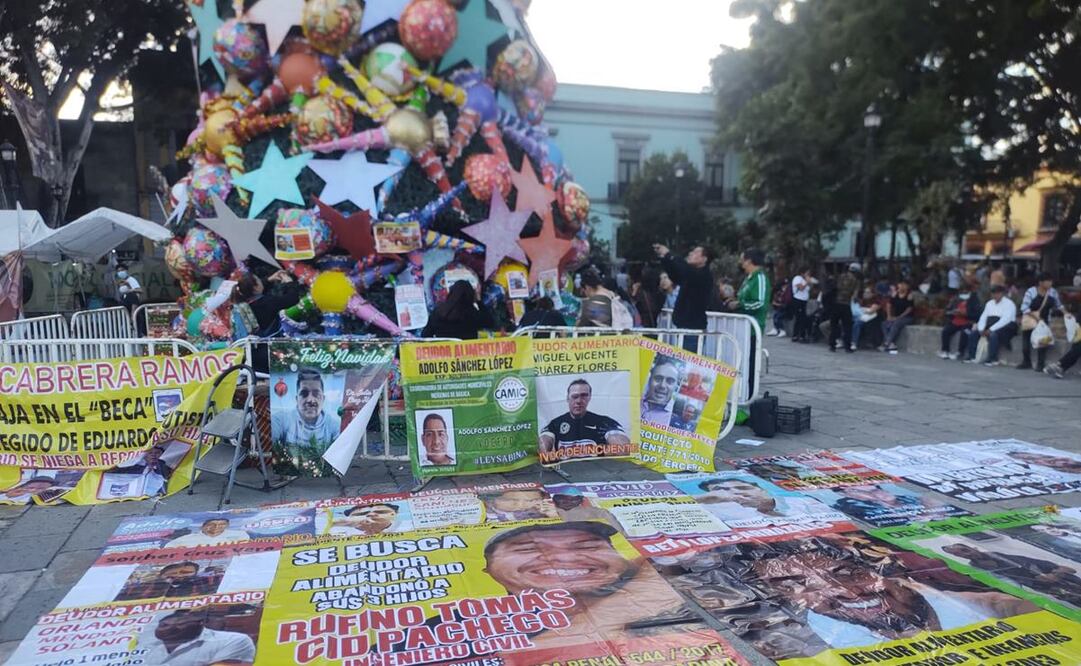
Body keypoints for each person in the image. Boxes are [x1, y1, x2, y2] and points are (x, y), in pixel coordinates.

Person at [743, 537, 1036, 650]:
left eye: (846, 573)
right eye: (797, 585)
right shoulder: (823, 634)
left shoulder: (951, 601)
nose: (847, 592)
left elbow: (1011, 608)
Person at [482, 522, 692, 649]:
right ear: (488, 568)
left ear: (621, 558)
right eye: (527, 548)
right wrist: (618, 609)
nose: (563, 558)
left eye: (588, 545)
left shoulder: (675, 610)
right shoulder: (470, 624)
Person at [941, 542, 1081, 607]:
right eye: (958, 554)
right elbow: (1010, 584)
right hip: (1063, 594)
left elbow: (1068, 569)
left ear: (971, 547)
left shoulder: (1011, 558)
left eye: (965, 550)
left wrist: (1054, 575)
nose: (968, 554)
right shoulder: (979, 569)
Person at [539, 379, 630, 456]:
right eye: (575, 396)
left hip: (597, 472)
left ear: (589, 397)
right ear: (567, 398)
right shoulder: (556, 423)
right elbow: (543, 444)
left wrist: (612, 445)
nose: (579, 401)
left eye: (584, 396)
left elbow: (624, 449)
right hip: (566, 473)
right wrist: (545, 448)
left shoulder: (604, 422)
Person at [139, 608, 255, 666]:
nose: (169, 629)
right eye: (164, 625)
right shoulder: (147, 645)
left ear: (200, 624)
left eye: (180, 624)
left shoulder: (233, 640)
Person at [693, 476, 831, 524]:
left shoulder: (797, 502)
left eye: (742, 488)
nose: (735, 493)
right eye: (722, 490)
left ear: (762, 490)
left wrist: (770, 504)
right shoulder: (715, 511)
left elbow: (828, 515)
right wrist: (701, 499)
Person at [654, 244, 713, 349]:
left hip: (693, 330)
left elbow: (683, 268)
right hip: (684, 327)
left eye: (695, 253)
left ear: (704, 259)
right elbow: (675, 275)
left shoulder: (703, 275)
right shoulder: (691, 274)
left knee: (690, 362)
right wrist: (664, 258)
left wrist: (669, 254)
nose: (690, 254)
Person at [271, 368, 341, 449]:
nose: (310, 400)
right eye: (304, 393)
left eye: (316, 394)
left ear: (323, 399)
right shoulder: (281, 419)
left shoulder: (334, 426)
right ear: (297, 399)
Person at [232, 270, 302, 336]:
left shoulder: (245, 301)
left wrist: (270, 279)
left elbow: (258, 289)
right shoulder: (267, 302)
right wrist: (290, 283)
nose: (261, 281)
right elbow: (292, 299)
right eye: (259, 280)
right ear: (255, 287)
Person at [830, 485, 941, 524]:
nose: (879, 494)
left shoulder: (907, 498)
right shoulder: (853, 505)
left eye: (876, 490)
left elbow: (932, 502)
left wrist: (927, 513)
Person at [964, 284, 1017, 366]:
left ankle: (992, 358)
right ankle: (972, 356)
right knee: (973, 333)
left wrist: (991, 329)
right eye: (993, 293)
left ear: (1002, 293)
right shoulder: (989, 303)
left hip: (1006, 326)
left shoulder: (1009, 304)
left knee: (993, 335)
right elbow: (983, 317)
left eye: (997, 293)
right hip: (990, 324)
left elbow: (1005, 320)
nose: (995, 295)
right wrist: (981, 328)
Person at [1018, 272, 1061, 371]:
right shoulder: (1031, 292)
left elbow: (1058, 305)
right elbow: (1024, 307)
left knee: (1043, 341)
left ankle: (1040, 364)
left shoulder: (1053, 292)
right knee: (1026, 341)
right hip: (1030, 320)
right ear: (1041, 282)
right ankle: (1026, 361)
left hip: (1044, 320)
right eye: (1048, 281)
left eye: (1051, 281)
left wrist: (1066, 313)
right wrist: (1036, 317)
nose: (1050, 283)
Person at [423, 280, 494, 339]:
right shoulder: (472, 313)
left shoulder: (438, 312)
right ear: (471, 295)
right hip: (467, 353)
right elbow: (490, 322)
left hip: (444, 354)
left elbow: (425, 335)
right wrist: (478, 300)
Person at [115, 561, 219, 601]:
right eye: (173, 573)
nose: (178, 576)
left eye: (185, 572)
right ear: (161, 575)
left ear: (195, 574)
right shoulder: (137, 588)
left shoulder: (207, 582)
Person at [938, 281, 981, 360]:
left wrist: (966, 314)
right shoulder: (956, 298)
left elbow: (977, 314)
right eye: (962, 290)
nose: (964, 292)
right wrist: (953, 312)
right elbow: (948, 310)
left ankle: (960, 352)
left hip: (968, 321)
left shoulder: (974, 299)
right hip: (956, 320)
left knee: (965, 332)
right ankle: (945, 350)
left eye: (966, 290)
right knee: (946, 331)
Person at [829, 263, 860, 353]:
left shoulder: (840, 277)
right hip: (846, 304)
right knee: (847, 326)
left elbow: (834, 288)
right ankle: (847, 347)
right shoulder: (855, 280)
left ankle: (832, 345)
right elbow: (855, 296)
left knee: (834, 325)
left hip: (836, 303)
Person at [640, 357, 680, 425]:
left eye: (670, 381)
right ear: (649, 380)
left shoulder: (675, 418)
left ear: (676, 386)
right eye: (658, 379)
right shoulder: (634, 399)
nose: (662, 386)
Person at [480, 488, 558, 521]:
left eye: (531, 501)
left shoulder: (545, 511)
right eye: (511, 500)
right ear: (492, 501)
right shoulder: (483, 513)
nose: (521, 505)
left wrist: (555, 517)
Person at [165, 518, 250, 548]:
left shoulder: (239, 534)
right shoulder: (185, 539)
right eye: (211, 524)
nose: (216, 527)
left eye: (222, 524)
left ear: (227, 525)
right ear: (202, 527)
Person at [880, 280, 914, 352]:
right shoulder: (895, 295)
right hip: (895, 316)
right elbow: (889, 305)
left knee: (896, 323)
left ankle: (887, 343)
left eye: (903, 285)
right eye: (900, 284)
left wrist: (899, 317)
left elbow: (909, 309)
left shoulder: (909, 296)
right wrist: (889, 316)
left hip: (907, 317)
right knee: (884, 324)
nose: (901, 286)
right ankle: (890, 343)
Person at [329, 503, 400, 535]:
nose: (371, 515)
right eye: (360, 514)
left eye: (380, 512)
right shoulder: (335, 530)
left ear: (393, 514)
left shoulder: (405, 525)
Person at [790, 267, 812, 342]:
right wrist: (806, 282)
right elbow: (801, 288)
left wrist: (809, 283)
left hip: (804, 300)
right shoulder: (797, 278)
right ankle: (795, 335)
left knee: (804, 318)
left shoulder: (805, 280)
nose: (807, 274)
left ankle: (802, 335)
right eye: (807, 273)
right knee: (799, 318)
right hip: (798, 300)